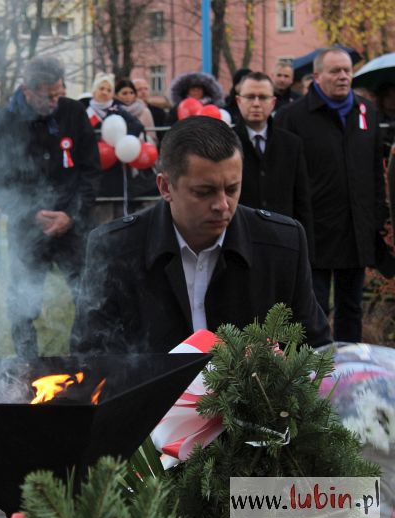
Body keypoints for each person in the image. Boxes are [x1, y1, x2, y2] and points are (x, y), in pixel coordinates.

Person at [71, 116, 331, 355]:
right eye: (204, 192)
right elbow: (90, 357)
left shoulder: (282, 245)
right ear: (165, 186)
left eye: (232, 189)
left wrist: (281, 368)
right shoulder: (115, 248)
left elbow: (317, 351)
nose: (222, 205)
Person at [0, 55, 99, 358]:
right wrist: (30, 212)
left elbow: (90, 170)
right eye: (48, 96)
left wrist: (71, 215)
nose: (54, 102)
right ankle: (27, 362)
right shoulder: (3, 123)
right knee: (23, 302)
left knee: (88, 297)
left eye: (59, 93)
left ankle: (86, 358)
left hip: (73, 227)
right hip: (27, 230)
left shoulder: (74, 113)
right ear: (27, 90)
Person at [276, 47, 387, 342]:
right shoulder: (292, 117)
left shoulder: (366, 111)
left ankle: (349, 365)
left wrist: (377, 219)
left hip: (356, 230)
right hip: (314, 232)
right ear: (317, 76)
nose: (343, 76)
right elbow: (283, 179)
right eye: (335, 71)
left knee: (352, 308)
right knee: (313, 310)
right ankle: (315, 367)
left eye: (347, 70)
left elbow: (375, 171)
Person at [233, 71, 313, 248]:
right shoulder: (227, 142)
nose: (256, 103)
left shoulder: (291, 144)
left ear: (273, 102)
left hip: (282, 240)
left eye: (263, 97)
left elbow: (302, 201)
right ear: (239, 101)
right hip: (240, 240)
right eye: (250, 97)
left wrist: (307, 250)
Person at [84, 73, 147, 223]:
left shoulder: (118, 109)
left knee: (119, 215)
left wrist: (122, 141)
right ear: (94, 91)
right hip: (95, 166)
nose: (105, 92)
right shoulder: (85, 111)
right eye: (101, 88)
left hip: (117, 167)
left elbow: (138, 126)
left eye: (109, 90)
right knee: (100, 215)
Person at [114, 78, 156, 144]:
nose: (128, 96)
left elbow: (152, 136)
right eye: (124, 93)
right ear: (117, 95)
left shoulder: (144, 111)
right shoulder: (113, 110)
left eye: (131, 93)